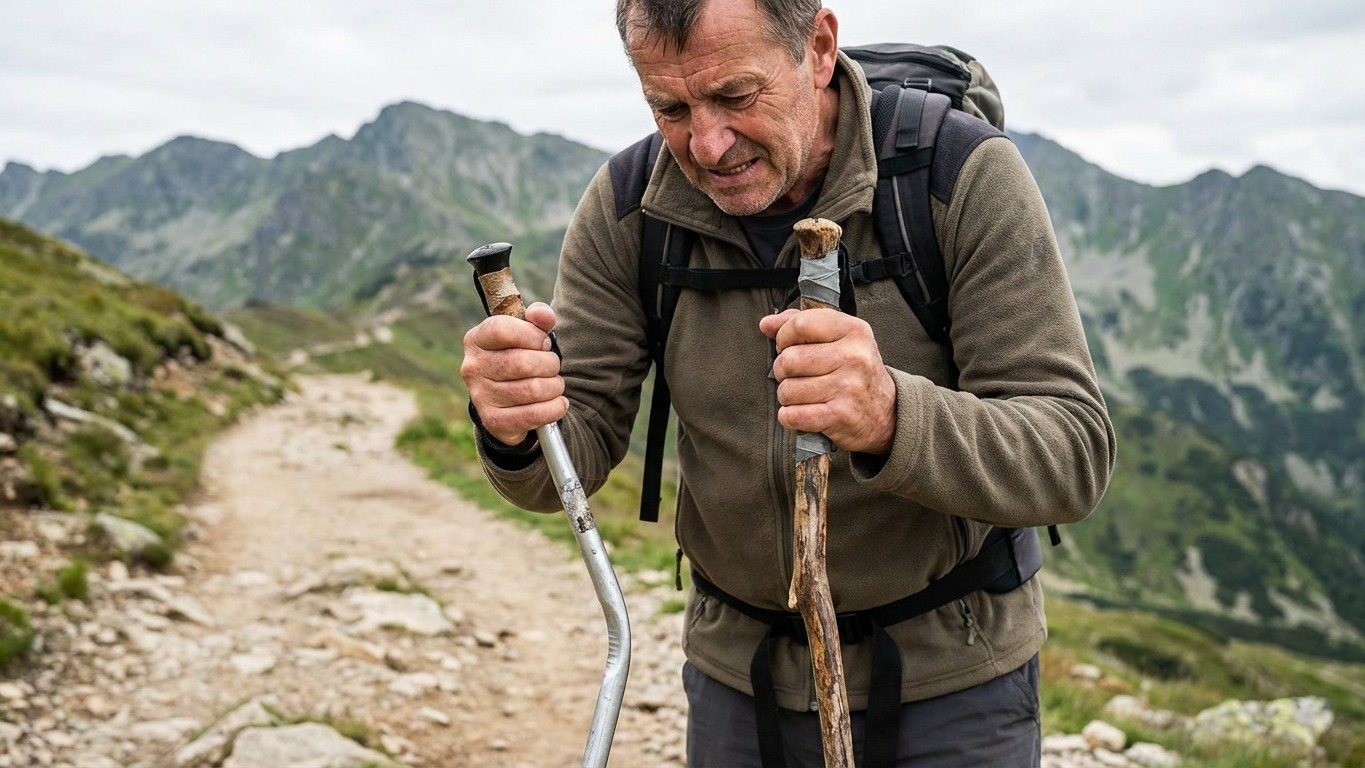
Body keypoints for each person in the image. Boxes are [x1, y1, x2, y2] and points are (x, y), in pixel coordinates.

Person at [460, 0, 1116, 765]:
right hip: (739, 680)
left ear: (817, 47)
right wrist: (514, 423)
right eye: (668, 107)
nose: (706, 145)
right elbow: (560, 473)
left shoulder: (957, 176)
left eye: (736, 96)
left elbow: (1070, 456)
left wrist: (889, 415)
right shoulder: (630, 208)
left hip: (953, 681)